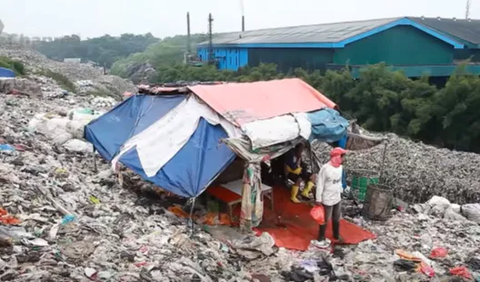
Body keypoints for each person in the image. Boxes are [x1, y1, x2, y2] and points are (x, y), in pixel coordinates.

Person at [313, 147, 348, 248]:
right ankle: (321, 237)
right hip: (327, 197)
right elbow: (320, 184)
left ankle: (336, 235)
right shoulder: (325, 168)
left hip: (337, 196)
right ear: (337, 157)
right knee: (325, 218)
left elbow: (339, 181)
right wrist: (318, 199)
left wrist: (341, 191)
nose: (344, 159)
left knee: (336, 217)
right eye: (343, 156)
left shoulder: (340, 168)